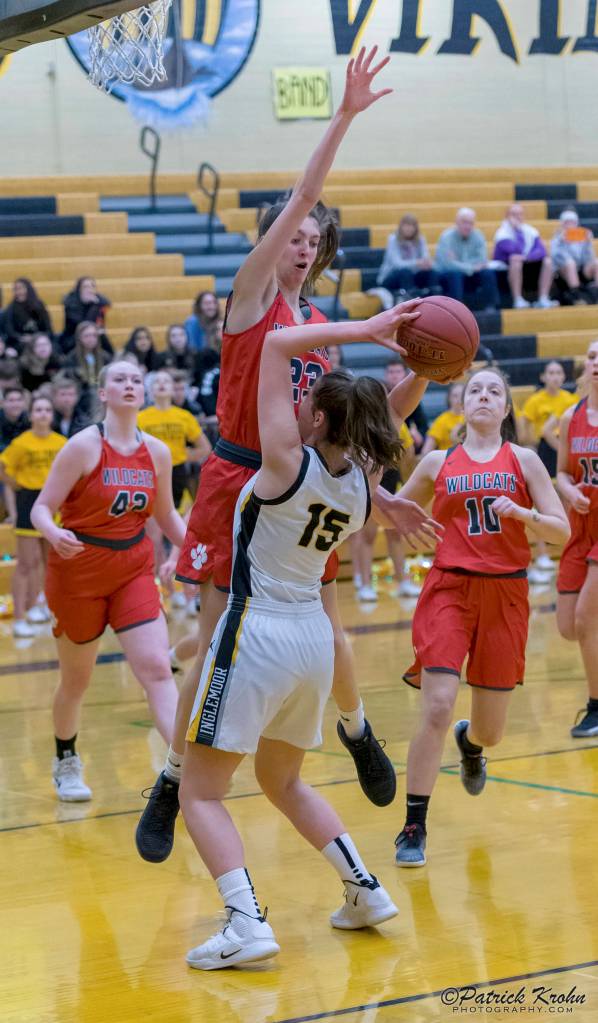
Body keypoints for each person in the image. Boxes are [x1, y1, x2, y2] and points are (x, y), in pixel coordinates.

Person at [135, 46, 436, 865]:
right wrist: (344, 115)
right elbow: (304, 193)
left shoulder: (325, 336)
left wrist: (379, 483)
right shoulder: (253, 298)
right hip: (237, 476)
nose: (300, 244)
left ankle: (357, 728)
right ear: (271, 239)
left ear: (324, 249)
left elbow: (354, 429)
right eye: (290, 235)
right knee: (213, 643)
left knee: (332, 633)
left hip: (303, 488)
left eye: (311, 238)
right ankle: (172, 777)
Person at [179, 301, 426, 970]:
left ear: (316, 420)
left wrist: (365, 330)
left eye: (306, 399)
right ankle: (364, 889)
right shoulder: (361, 485)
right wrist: (427, 369)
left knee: (199, 791)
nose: (297, 401)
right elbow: (387, 415)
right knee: (281, 780)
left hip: (255, 630)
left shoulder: (285, 461)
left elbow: (276, 345)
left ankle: (245, 922)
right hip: (314, 642)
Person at [391, 367, 569, 867]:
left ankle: (470, 745)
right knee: (437, 705)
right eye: (475, 390)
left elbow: (561, 531)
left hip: (505, 593)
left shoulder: (524, 460)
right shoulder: (437, 461)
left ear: (507, 408)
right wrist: (375, 496)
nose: (484, 396)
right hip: (449, 588)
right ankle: (413, 825)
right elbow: (389, 511)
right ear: (461, 404)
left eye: (494, 391)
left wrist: (523, 515)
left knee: (491, 732)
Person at [30, 360, 187, 802]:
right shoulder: (83, 446)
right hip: (78, 570)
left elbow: (166, 515)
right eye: (119, 379)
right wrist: (53, 533)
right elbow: (41, 507)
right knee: (76, 682)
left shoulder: (157, 452)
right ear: (103, 393)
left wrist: (195, 554)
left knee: (157, 669)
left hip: (132, 569)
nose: (130, 385)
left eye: (136, 379)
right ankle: (66, 759)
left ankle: (187, 768)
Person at [556, 340, 598, 737]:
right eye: (592, 356)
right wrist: (569, 491)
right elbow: (563, 472)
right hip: (581, 522)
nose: (597, 362)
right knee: (569, 626)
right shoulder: (572, 416)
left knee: (587, 619)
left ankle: (596, 707)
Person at [0, 394, 66, 637]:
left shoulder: (62, 442)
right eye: (38, 409)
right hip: (29, 500)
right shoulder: (21, 443)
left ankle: (42, 605)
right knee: (26, 564)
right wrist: (16, 485)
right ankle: (19, 618)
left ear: (52, 415)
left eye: (47, 409)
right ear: (30, 415)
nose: (43, 414)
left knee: (51, 563)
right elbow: (3, 467)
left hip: (54, 502)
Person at [434, 208, 500, 311]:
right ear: (457, 222)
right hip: (450, 277)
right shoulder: (446, 237)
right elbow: (447, 264)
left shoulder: (478, 236)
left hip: (469, 276)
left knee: (487, 273)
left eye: (471, 223)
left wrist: (458, 263)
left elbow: (482, 260)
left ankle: (491, 308)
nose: (468, 226)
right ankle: (457, 310)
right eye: (464, 222)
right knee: (455, 274)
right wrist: (471, 267)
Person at [492, 204, 555, 309]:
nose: (517, 217)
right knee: (515, 260)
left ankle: (543, 299)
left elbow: (542, 251)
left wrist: (527, 258)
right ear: (507, 216)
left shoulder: (531, 231)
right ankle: (518, 299)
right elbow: (517, 251)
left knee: (548, 261)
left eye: (520, 214)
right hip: (507, 271)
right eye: (514, 214)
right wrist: (517, 231)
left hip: (528, 268)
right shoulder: (502, 233)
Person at [377, 214, 441, 297]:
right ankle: (411, 299)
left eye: (412, 226)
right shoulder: (393, 239)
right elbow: (397, 264)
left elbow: (425, 257)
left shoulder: (420, 239)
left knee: (431, 273)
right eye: (407, 225)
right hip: (391, 276)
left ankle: (434, 299)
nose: (409, 228)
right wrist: (417, 263)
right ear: (401, 227)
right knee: (405, 272)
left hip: (412, 276)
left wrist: (427, 263)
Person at [551, 209, 598, 305]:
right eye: (567, 222)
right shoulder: (557, 238)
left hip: (581, 269)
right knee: (570, 263)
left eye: (572, 222)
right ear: (562, 224)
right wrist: (561, 242)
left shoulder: (582, 236)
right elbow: (555, 258)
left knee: (596, 262)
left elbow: (588, 259)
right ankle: (576, 295)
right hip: (563, 271)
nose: (570, 225)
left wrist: (588, 243)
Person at [384, 357, 428, 451]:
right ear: (386, 375)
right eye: (391, 372)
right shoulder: (380, 395)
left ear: (405, 374)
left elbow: (423, 426)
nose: (394, 376)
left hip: (405, 444)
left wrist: (419, 435)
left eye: (398, 372)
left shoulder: (412, 397)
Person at [61, 277, 112, 353]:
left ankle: (110, 356)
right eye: (85, 287)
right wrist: (93, 307)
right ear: (79, 289)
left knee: (100, 335)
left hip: (92, 335)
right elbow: (83, 326)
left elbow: (107, 303)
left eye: (92, 286)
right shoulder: (71, 304)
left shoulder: (97, 301)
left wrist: (94, 305)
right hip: (73, 338)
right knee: (88, 334)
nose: (89, 290)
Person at [0, 278, 53, 351]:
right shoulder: (11, 309)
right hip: (20, 343)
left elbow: (48, 329)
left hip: (40, 340)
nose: (19, 292)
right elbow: (10, 331)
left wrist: (36, 337)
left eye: (21, 288)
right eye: (16, 289)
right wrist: (21, 337)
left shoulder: (39, 306)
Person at [421, 382, 464, 455]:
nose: (459, 399)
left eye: (462, 395)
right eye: (455, 396)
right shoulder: (442, 420)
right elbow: (426, 451)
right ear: (449, 398)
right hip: (448, 458)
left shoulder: (472, 418)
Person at [50, 374, 91, 438]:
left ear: (77, 397)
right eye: (63, 394)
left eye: (71, 394)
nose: (67, 399)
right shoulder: (48, 419)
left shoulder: (84, 422)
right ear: (54, 397)